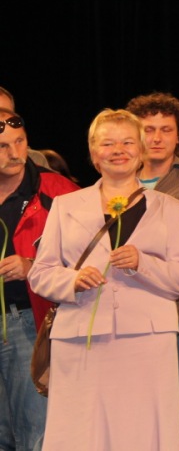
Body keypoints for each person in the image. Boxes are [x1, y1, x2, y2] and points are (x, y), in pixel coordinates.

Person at [29, 109, 179, 449]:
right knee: (80, 433)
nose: (118, 150)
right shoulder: (65, 205)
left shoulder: (172, 209)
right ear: (94, 154)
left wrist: (143, 263)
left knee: (142, 432)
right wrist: (72, 280)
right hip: (80, 340)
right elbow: (41, 274)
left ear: (141, 150)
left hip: (147, 341)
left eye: (127, 142)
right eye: (107, 143)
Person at [126, 91, 179, 451]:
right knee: (128, 412)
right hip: (124, 312)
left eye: (166, 130)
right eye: (149, 129)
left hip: (175, 313)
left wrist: (157, 263)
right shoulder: (119, 179)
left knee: (172, 413)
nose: (157, 138)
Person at [0, 110, 78, 450]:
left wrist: (32, 266)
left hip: (30, 323)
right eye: (3, 146)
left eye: (19, 142)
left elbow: (89, 262)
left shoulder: (58, 190)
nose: (15, 153)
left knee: (35, 434)